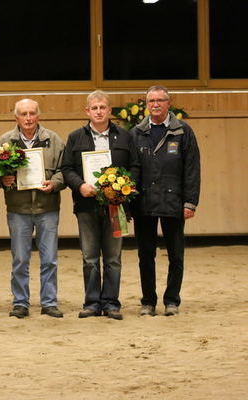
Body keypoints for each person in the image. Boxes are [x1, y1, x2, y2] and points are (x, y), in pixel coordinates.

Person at [62, 90, 140, 320]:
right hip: (86, 206)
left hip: (117, 206)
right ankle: (92, 303)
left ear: (109, 110)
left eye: (102, 107)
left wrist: (124, 187)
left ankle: (111, 303)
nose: (98, 111)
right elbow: (67, 169)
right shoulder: (76, 137)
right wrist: (80, 186)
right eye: (94, 108)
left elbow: (135, 167)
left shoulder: (125, 137)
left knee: (114, 258)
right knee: (89, 257)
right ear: (87, 111)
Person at [130, 86, 200, 317]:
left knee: (176, 255)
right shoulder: (136, 133)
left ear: (169, 103)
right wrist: (129, 203)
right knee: (145, 255)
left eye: (161, 100)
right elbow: (132, 171)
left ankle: (172, 301)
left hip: (174, 202)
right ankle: (148, 301)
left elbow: (192, 169)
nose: (156, 104)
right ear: (146, 104)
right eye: (151, 100)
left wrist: (190, 202)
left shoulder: (183, 131)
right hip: (144, 204)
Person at [0, 99, 65, 319]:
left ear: (38, 116)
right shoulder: (5, 141)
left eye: (32, 113)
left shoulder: (53, 140)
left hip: (47, 207)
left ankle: (49, 302)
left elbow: (65, 169)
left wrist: (54, 183)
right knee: (20, 259)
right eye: (23, 114)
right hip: (18, 209)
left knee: (50, 258)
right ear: (16, 117)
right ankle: (20, 302)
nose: (28, 118)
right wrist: (2, 179)